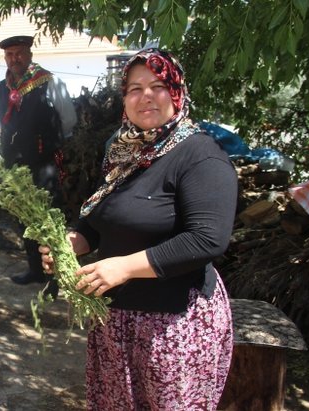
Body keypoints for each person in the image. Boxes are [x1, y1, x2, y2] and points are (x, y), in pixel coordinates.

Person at [40, 49, 237, 410]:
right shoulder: (123, 151)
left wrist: (123, 267)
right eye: (134, 88)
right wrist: (72, 244)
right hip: (117, 320)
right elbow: (101, 219)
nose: (145, 96)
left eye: (158, 85)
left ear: (177, 92)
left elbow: (207, 239)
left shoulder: (200, 155)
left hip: (173, 327)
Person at [0, 35, 77, 291]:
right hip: (15, 164)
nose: (14, 59)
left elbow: (68, 120)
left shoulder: (49, 82)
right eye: (9, 55)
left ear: (29, 54)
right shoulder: (0, 87)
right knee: (24, 217)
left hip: (44, 164)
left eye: (18, 53)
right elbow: (2, 124)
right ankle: (35, 269)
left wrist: (45, 142)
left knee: (47, 217)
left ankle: (56, 277)